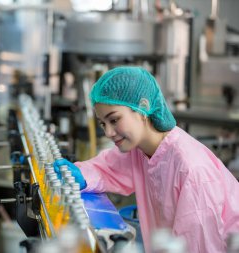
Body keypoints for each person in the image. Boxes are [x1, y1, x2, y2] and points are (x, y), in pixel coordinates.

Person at [54, 66, 239, 253]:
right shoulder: (141, 149)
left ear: (143, 107)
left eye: (115, 120)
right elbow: (107, 169)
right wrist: (80, 175)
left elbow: (198, 247)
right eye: (103, 123)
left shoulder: (191, 169)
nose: (108, 132)